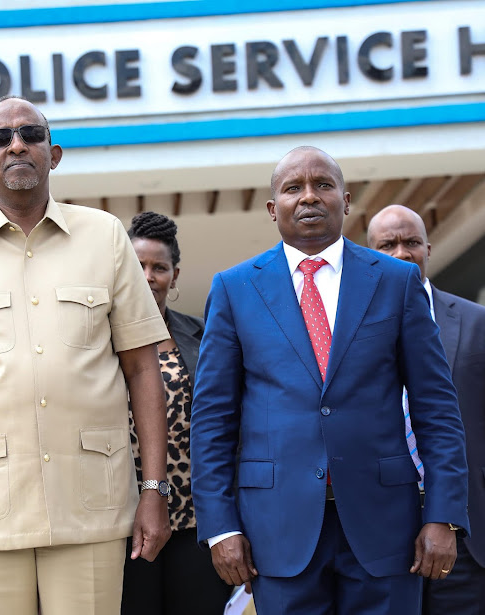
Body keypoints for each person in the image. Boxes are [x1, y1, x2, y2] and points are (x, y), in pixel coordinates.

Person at [0, 96, 171, 615]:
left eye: (30, 134)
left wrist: (153, 489)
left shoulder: (106, 235)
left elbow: (142, 368)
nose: (16, 144)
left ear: (55, 153)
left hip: (90, 503)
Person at [190, 146, 470, 615]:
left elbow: (437, 409)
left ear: (346, 198)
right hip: (275, 531)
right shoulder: (235, 288)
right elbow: (213, 420)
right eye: (292, 188)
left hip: (387, 528)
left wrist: (443, 515)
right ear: (271, 208)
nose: (308, 197)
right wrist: (220, 526)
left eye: (322, 185)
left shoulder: (397, 281)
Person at [368, 204, 485, 614]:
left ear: (428, 249)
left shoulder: (476, 322)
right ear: (370, 254)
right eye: (388, 244)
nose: (401, 253)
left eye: (411, 242)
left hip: (469, 530)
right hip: (380, 534)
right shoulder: (351, 332)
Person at [121, 212, 232, 615]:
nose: (148, 276)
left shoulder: (204, 336)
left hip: (195, 521)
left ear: (174, 274)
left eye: (159, 267)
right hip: (122, 522)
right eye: (138, 266)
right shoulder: (95, 341)